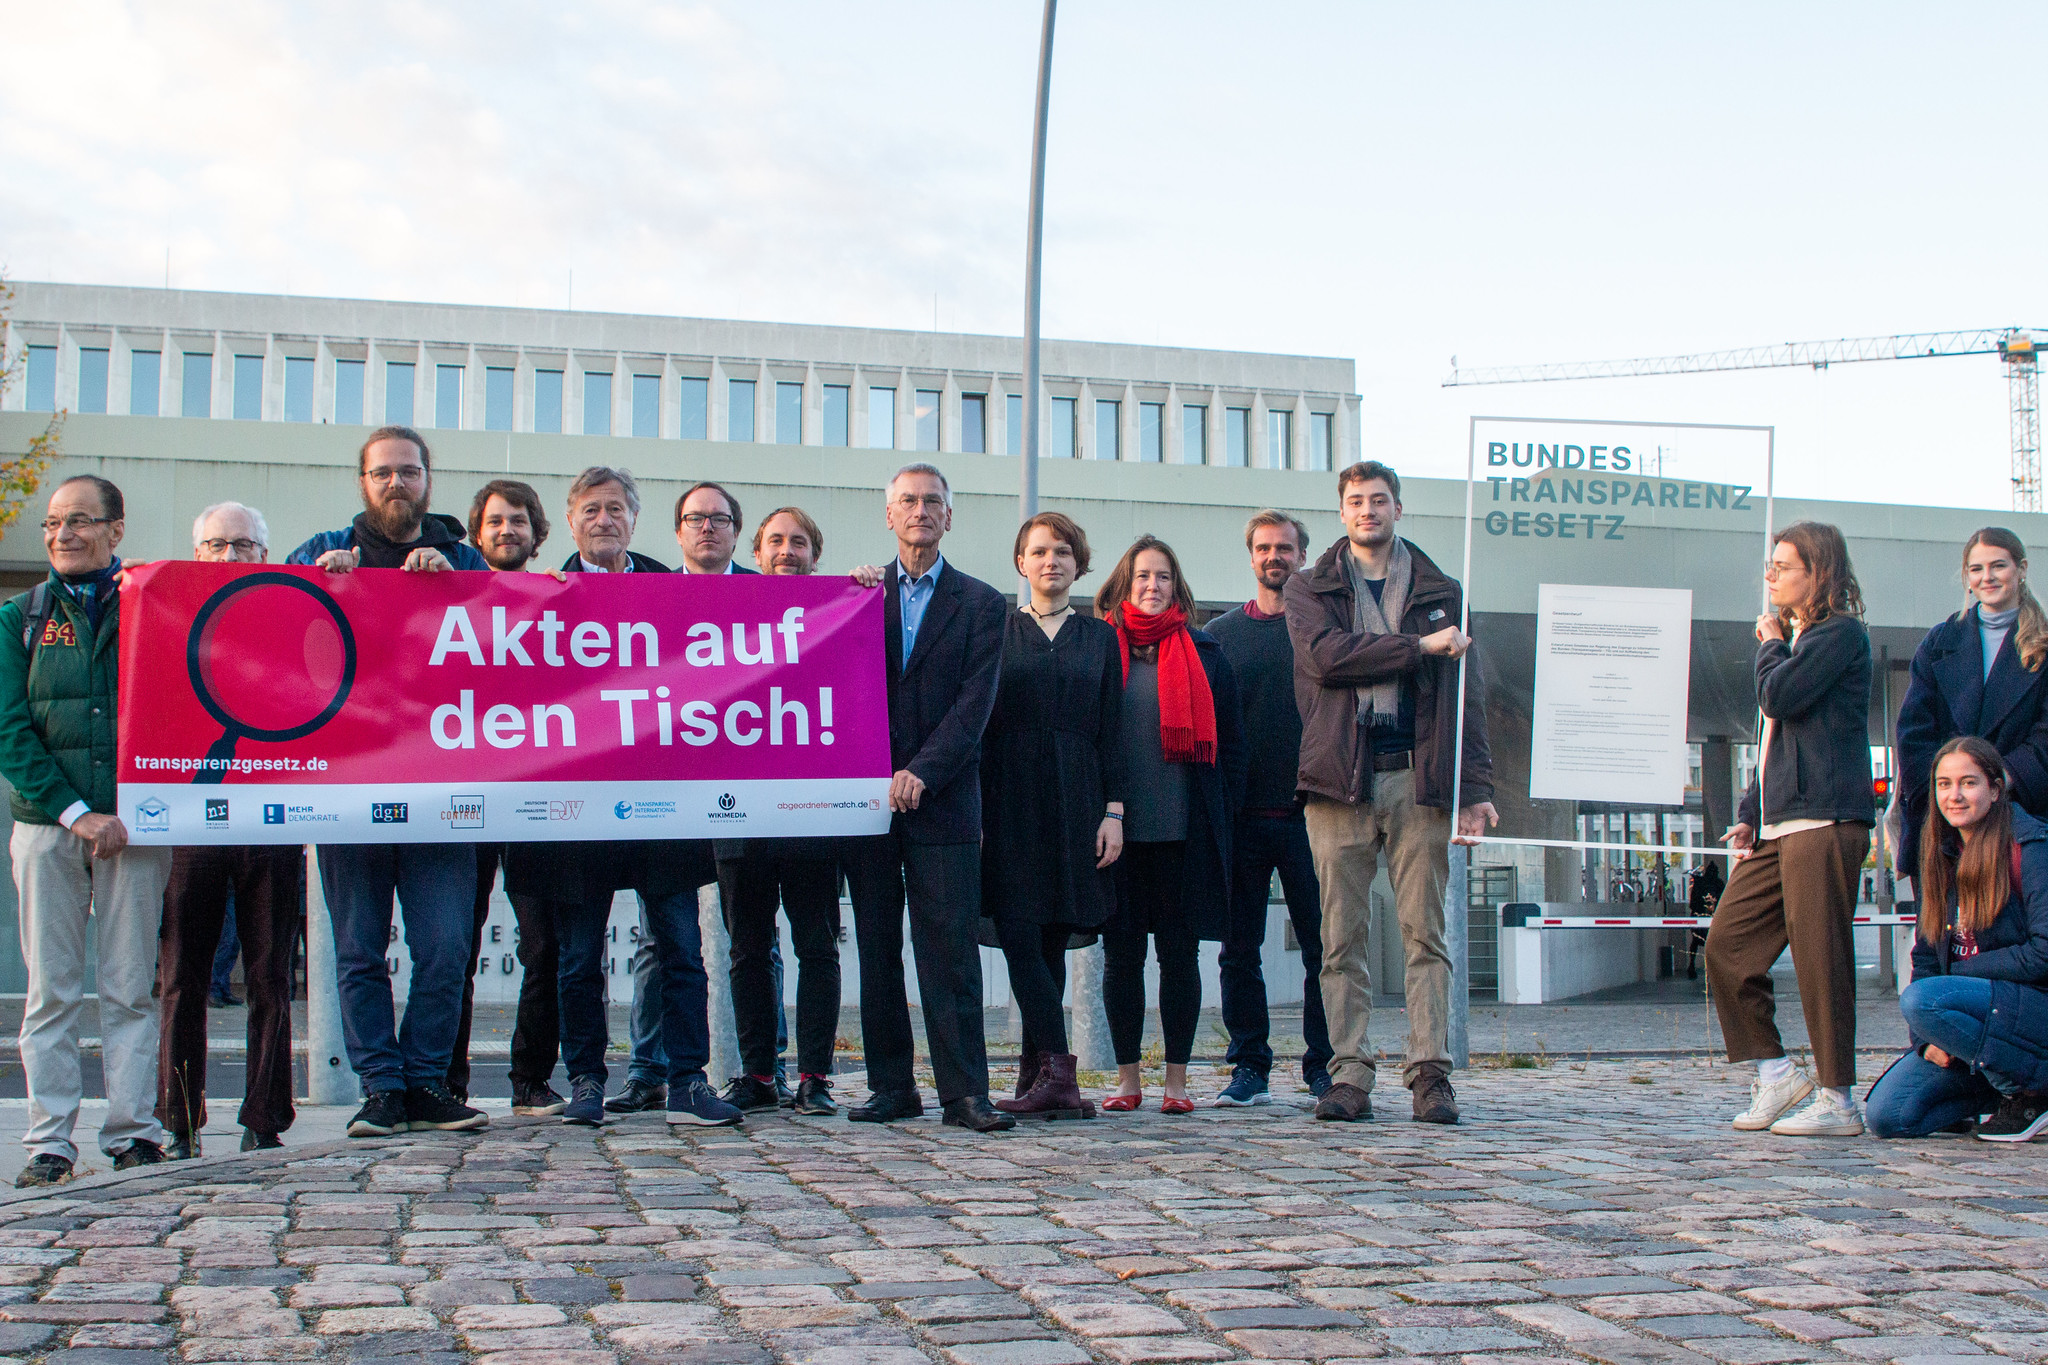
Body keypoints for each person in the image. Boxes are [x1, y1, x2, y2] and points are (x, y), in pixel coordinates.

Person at [522, 468, 742, 1128]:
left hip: (663, 801)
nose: (605, 519)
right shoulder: (534, 596)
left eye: (616, 508)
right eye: (592, 509)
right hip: (577, 802)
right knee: (578, 956)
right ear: (571, 521)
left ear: (634, 519)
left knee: (680, 948)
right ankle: (586, 1077)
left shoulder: (673, 590)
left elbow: (755, 622)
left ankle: (687, 1077)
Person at [287, 426, 490, 1139]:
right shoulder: (316, 552)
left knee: (443, 946)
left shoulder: (463, 557)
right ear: (363, 482)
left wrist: (462, 582)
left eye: (409, 472)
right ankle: (381, 1087)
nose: (397, 484)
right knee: (357, 947)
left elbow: (513, 648)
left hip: (442, 790)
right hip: (348, 787)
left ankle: (427, 1080)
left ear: (428, 479)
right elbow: (271, 638)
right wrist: (316, 586)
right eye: (383, 474)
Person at [1284, 460, 1496, 1125]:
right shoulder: (1309, 587)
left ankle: (1430, 1073)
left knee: (1423, 933)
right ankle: (1348, 1075)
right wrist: (1417, 646)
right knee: (1339, 936)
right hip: (1338, 778)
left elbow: (1468, 696)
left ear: (1398, 509)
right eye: (1356, 501)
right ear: (1342, 513)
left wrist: (1477, 787)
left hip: (1417, 776)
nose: (1368, 510)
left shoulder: (1443, 588)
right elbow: (1329, 658)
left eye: (1379, 500)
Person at [0, 476, 171, 1186]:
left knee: (131, 986)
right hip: (51, 829)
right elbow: (12, 732)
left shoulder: (153, 607)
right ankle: (50, 1141)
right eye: (52, 524)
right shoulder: (20, 618)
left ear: (116, 529)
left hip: (136, 830)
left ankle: (134, 1131)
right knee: (53, 991)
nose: (63, 534)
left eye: (80, 521)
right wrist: (77, 812)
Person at [843, 463, 1014, 1132]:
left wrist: (923, 770)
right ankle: (892, 1085)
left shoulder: (981, 602)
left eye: (932, 501)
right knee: (878, 948)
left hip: (942, 801)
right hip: (866, 802)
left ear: (950, 516)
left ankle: (964, 1092)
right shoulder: (858, 596)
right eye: (908, 501)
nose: (920, 511)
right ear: (889, 515)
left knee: (949, 950)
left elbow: (976, 705)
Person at [1707, 520, 1875, 1138]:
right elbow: (1776, 741)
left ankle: (1838, 1099)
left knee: (1820, 958)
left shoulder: (1839, 636)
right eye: (1770, 565)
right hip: (1781, 824)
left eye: (1784, 566)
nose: (1771, 575)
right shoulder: (1805, 638)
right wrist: (1752, 812)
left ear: (1819, 573)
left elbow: (1779, 698)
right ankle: (1777, 1073)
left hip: (1826, 818)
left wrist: (1771, 642)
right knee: (1727, 944)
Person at [606, 480, 758, 1122]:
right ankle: (647, 1071)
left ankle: (728, 1073)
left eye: (719, 519)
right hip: (659, 791)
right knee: (655, 942)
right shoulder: (652, 594)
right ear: (676, 531)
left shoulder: (767, 596)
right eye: (694, 519)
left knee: (717, 941)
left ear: (734, 531)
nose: (707, 528)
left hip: (742, 786)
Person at [156, 502, 303, 1158]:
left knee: (270, 971)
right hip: (194, 815)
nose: (229, 556)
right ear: (197, 552)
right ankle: (179, 1117)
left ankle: (264, 1116)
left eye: (243, 544)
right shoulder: (166, 617)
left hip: (273, 814)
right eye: (215, 544)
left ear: (263, 557)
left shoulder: (289, 616)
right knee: (184, 970)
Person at [981, 512, 1123, 1120]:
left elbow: (1113, 733)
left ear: (1078, 562)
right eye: (1039, 551)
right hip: (1007, 797)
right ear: (1021, 562)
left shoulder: (1100, 638)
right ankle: (1058, 1071)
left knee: (1050, 937)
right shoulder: (997, 630)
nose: (1051, 561)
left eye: (1063, 551)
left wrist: (1113, 812)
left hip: (1077, 799)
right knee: (1017, 931)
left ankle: (1040, 1074)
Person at [1094, 536, 1243, 1114]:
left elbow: (1232, 746)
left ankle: (1177, 1083)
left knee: (1180, 958)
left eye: (1161, 576)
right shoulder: (1103, 647)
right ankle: (1128, 1080)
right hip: (1118, 836)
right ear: (1123, 584)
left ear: (1176, 585)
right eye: (1141, 577)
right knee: (1122, 958)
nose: (1151, 586)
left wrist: (1223, 819)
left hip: (1186, 834)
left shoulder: (1205, 653)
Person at [716, 507, 844, 1117]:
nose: (787, 550)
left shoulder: (838, 611)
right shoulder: (722, 609)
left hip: (813, 811)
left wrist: (864, 586)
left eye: (799, 541)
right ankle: (759, 1074)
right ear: (756, 550)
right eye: (776, 541)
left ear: (816, 554)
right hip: (738, 811)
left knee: (816, 945)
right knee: (748, 946)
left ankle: (815, 1075)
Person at [1208, 510, 1333, 1106]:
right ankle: (1249, 1066)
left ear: (1302, 556)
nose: (1274, 556)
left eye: (1285, 548)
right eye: (1263, 548)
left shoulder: (1323, 632)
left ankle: (1324, 1066)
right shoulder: (1222, 635)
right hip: (1243, 820)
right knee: (1239, 949)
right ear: (1251, 557)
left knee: (1323, 950)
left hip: (1314, 816)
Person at [1866, 736, 2048, 1140]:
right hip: (1976, 1024)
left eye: (1969, 783)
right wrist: (1926, 1040)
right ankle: (1998, 1087)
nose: (1955, 795)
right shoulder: (1941, 856)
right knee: (1890, 1116)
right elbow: (1926, 959)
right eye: (1944, 784)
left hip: (2032, 1012)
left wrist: (1963, 974)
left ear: (1996, 789)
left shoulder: (2031, 847)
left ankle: (2030, 1092)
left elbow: (2044, 952)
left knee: (1924, 999)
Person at [448, 479, 561, 1114]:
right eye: (493, 521)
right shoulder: (448, 595)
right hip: (464, 796)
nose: (506, 531)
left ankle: (529, 1082)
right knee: (455, 948)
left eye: (517, 520)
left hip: (536, 798)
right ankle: (448, 1083)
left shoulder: (554, 599)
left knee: (541, 944)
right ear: (477, 532)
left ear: (535, 531)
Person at [1896, 528, 2048, 884]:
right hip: (1945, 824)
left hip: (2020, 816)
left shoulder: (2043, 647)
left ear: (2021, 568)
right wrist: (1951, 791)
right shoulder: (1939, 641)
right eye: (1976, 569)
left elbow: (2045, 737)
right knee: (1942, 933)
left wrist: (1992, 784)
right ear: (1966, 577)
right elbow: (1913, 730)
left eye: (1998, 566)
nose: (1987, 577)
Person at [1685, 858, 1726, 980]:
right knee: (1713, 943)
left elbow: (1693, 902)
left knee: (1696, 941)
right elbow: (1722, 901)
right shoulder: (1718, 884)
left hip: (1699, 916)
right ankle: (1715, 968)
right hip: (1712, 917)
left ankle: (1692, 964)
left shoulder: (1700, 882)